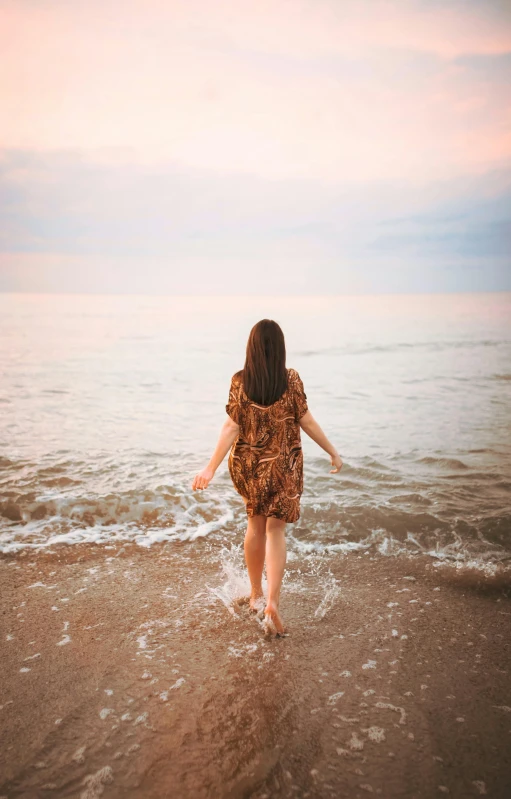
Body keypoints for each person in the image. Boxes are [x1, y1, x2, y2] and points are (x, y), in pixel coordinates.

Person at [192, 319, 342, 636]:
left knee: (254, 524)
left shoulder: (240, 381)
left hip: (248, 466)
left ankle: (256, 594)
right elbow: (307, 420)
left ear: (252, 348)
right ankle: (273, 601)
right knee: (276, 532)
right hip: (284, 467)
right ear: (281, 349)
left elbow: (230, 427)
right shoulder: (291, 380)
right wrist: (332, 451)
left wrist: (210, 467)